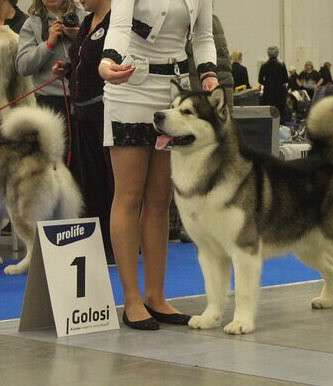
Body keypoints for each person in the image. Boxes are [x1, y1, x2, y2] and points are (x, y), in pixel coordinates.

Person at [98, 0, 218, 331]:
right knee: (129, 194)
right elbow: (119, 27)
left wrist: (208, 72)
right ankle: (132, 298)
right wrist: (107, 62)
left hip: (172, 91)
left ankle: (156, 295)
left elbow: (203, 35)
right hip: (129, 85)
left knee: (160, 199)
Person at [52, 0, 114, 263]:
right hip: (83, 115)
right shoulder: (88, 22)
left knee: (109, 183)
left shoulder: (117, 22)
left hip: (105, 114)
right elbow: (82, 62)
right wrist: (67, 71)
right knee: (89, 182)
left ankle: (113, 245)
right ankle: (94, 242)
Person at [16, 0, 85, 115]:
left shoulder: (86, 16)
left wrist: (79, 37)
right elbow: (23, 67)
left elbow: (101, 56)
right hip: (49, 102)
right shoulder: (32, 23)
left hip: (85, 98)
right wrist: (48, 45)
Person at [258, 46, 288, 122]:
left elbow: (260, 80)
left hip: (268, 92)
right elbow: (286, 79)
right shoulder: (281, 65)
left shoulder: (264, 65)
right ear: (277, 53)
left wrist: (267, 84)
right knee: (280, 111)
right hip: (279, 92)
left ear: (268, 54)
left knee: (269, 112)